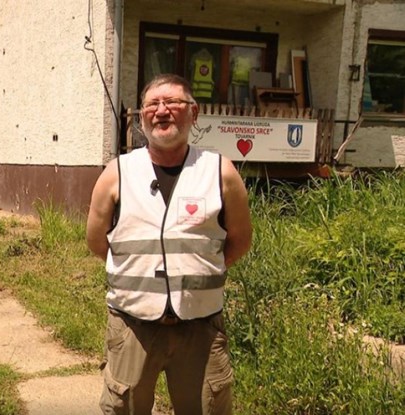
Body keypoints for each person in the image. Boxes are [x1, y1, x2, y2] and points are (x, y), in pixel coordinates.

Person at [86, 73, 252, 415]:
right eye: (152, 104)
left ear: (194, 113)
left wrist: (196, 275)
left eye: (173, 102)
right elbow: (96, 241)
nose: (162, 111)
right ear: (141, 116)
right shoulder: (117, 172)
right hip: (132, 325)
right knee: (125, 409)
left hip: (201, 326)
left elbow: (239, 240)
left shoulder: (220, 172)